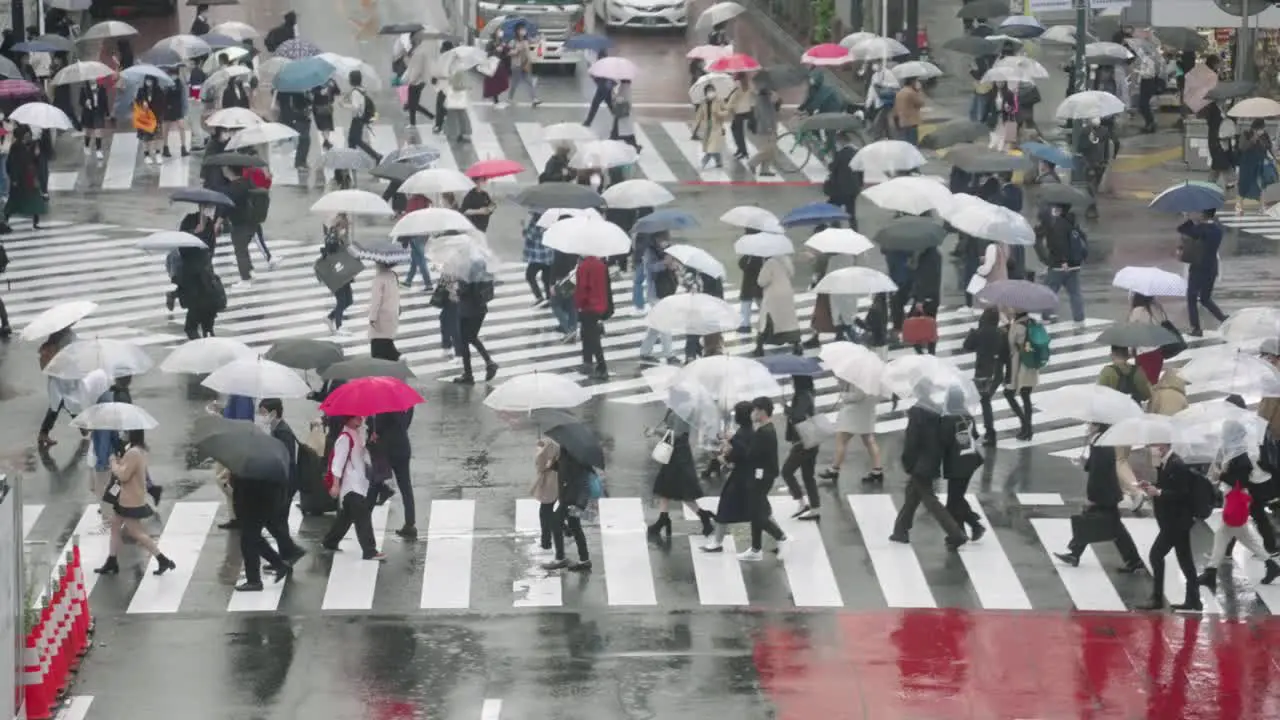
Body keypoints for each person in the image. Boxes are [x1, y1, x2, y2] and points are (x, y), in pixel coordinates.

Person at [1196, 421, 1280, 592]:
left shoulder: (1240, 456)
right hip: (1234, 498)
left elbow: (1239, 481)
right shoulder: (1234, 451)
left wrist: (1221, 475)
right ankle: (1270, 565)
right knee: (1242, 536)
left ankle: (1210, 573)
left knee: (1224, 534)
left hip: (1236, 499)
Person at [1052, 423, 1146, 574]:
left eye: (1091, 424)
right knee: (1101, 524)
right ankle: (1075, 554)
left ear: (1097, 427)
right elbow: (1095, 466)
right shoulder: (1100, 441)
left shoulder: (1101, 444)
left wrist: (1093, 497)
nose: (1088, 426)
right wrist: (1085, 463)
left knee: (1102, 525)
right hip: (1107, 493)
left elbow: (1099, 473)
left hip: (1104, 494)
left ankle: (1134, 561)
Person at [890, 381, 969, 550]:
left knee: (929, 499)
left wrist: (907, 462)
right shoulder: (937, 410)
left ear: (917, 392)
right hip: (933, 460)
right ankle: (900, 531)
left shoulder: (917, 412)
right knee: (912, 494)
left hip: (919, 463)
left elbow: (911, 441)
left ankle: (955, 533)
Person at [92, 430, 177, 577]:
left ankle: (162, 559)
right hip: (128, 497)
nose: (124, 434)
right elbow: (129, 469)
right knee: (115, 526)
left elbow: (124, 475)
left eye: (127, 432)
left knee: (136, 532)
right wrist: (120, 461)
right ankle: (112, 561)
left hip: (129, 499)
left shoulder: (133, 453)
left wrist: (113, 462)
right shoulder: (138, 451)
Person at [1137, 444, 1203, 611]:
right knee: (1185, 560)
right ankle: (1194, 600)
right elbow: (1166, 485)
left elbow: (1182, 493)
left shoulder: (1177, 464)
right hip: (1174, 521)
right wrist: (1151, 485)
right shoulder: (1166, 463)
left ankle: (1157, 599)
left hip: (1176, 522)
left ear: (1163, 446)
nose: (1151, 449)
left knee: (1156, 556)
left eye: (1153, 445)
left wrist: (1158, 492)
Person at [321, 415, 385, 561]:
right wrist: (335, 484)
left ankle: (330, 541)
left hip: (358, 481)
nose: (360, 419)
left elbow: (361, 454)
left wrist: (371, 441)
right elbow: (337, 463)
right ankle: (370, 550)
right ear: (347, 419)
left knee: (346, 516)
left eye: (360, 417)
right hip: (351, 485)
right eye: (356, 417)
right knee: (362, 516)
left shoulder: (357, 434)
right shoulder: (344, 438)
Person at [645, 409, 714, 538]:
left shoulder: (682, 412)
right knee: (664, 488)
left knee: (682, 492)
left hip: (679, 456)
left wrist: (656, 431)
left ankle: (703, 516)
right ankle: (663, 519)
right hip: (673, 454)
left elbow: (676, 435)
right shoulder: (674, 409)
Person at [738, 397, 788, 561]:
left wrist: (733, 442)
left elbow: (751, 455)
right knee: (756, 512)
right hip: (764, 475)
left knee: (757, 514)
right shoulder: (766, 429)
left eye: (754, 410)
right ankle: (756, 548)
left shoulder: (764, 433)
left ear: (762, 411)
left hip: (760, 477)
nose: (752, 414)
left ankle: (781, 537)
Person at [702, 401, 755, 553]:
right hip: (746, 477)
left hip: (741, 478)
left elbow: (738, 456)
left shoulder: (743, 434)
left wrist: (723, 459)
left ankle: (717, 542)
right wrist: (729, 441)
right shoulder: (746, 432)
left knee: (726, 507)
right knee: (758, 510)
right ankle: (780, 537)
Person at [940, 386, 986, 540]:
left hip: (957, 463)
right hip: (971, 460)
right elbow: (975, 435)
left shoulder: (948, 419)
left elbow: (943, 442)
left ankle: (968, 527)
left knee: (953, 501)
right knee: (957, 498)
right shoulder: (967, 415)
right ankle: (969, 526)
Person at [175, 205, 225, 339]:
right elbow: (211, 248)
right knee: (207, 329)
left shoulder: (202, 225)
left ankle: (201, 347)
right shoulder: (204, 225)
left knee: (192, 328)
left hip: (196, 290)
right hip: (207, 287)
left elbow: (182, 248)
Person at [367, 407, 417, 539]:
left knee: (375, 483)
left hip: (386, 449)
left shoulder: (383, 406)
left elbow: (378, 427)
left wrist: (372, 427)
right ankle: (410, 524)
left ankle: (364, 521)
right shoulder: (406, 406)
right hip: (402, 446)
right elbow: (405, 424)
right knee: (405, 486)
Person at [542, 443, 591, 572]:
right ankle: (585, 560)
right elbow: (563, 469)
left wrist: (579, 505)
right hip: (569, 497)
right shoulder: (566, 451)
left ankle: (560, 558)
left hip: (572, 500)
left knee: (555, 522)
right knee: (575, 526)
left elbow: (582, 480)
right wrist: (552, 463)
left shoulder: (577, 456)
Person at [1178, 209, 1227, 337]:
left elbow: (1182, 229)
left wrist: (1187, 218)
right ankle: (1222, 318)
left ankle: (1196, 328)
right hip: (1212, 268)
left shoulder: (1200, 230)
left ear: (1202, 214)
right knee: (1205, 298)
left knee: (1191, 297)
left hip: (1198, 268)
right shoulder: (1217, 229)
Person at [963, 308, 1007, 445]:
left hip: (982, 372)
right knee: (985, 402)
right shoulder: (1001, 333)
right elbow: (1005, 353)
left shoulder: (979, 333)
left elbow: (967, 346)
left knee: (971, 401)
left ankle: (977, 432)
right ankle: (989, 432)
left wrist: (972, 333)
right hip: (996, 372)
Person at [781, 374, 821, 520]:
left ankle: (802, 502)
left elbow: (798, 416)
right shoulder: (809, 394)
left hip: (803, 442)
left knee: (786, 471)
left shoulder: (802, 395)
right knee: (808, 476)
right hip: (811, 441)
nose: (791, 382)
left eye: (793, 379)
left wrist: (788, 410)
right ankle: (815, 508)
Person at [452, 264, 498, 384]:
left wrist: (454, 289)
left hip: (468, 310)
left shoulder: (465, 269)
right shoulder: (480, 264)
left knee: (464, 340)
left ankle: (470, 374)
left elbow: (464, 290)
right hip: (480, 308)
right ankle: (488, 363)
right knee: (470, 337)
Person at [753, 252, 801, 356]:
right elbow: (792, 273)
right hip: (787, 292)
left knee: (767, 319)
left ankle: (759, 347)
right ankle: (797, 344)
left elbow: (761, 281)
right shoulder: (786, 259)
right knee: (789, 321)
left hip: (773, 294)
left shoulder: (769, 263)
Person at [1004, 309, 1039, 441]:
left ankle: (1026, 426)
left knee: (1009, 393)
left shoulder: (1017, 326)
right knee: (1026, 396)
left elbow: (1010, 346)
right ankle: (1027, 428)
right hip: (1031, 364)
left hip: (1020, 365)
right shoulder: (1033, 323)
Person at [4, 125, 45, 230]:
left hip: (30, 177)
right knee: (14, 201)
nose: (28, 136)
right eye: (26, 134)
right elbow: (12, 164)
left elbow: (33, 161)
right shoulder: (16, 147)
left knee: (35, 199)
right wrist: (14, 178)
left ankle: (35, 222)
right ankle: (5, 220)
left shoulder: (30, 145)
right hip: (20, 179)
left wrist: (36, 155)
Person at [1129, 293, 1169, 384]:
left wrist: (1130, 350)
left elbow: (1131, 333)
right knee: (1153, 382)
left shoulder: (1137, 311)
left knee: (1144, 385)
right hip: (1157, 351)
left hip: (1143, 353)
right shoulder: (1156, 308)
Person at [1235, 118, 1273, 214]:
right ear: (1255, 128)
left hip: (1259, 163)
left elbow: (1269, 146)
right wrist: (1253, 139)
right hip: (1247, 164)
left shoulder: (1264, 136)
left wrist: (1263, 142)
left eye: (1263, 128)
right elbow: (1242, 147)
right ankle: (1239, 205)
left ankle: (1262, 206)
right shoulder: (1246, 134)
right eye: (1261, 128)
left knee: (1260, 184)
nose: (1262, 130)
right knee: (1244, 184)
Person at [344, 70, 382, 163]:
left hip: (357, 119)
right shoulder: (360, 89)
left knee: (357, 140)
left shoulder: (355, 92)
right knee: (352, 140)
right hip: (360, 119)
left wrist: (344, 105)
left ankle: (376, 155)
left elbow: (356, 107)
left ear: (352, 80)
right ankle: (352, 160)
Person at [368, 261, 401, 361]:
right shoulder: (393, 275)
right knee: (387, 341)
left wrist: (372, 317)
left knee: (378, 345)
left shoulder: (379, 278)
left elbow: (376, 301)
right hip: (392, 314)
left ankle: (397, 358)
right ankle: (396, 359)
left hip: (381, 316)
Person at [531, 438, 560, 551]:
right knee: (559, 509)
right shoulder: (558, 449)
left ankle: (546, 541)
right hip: (560, 482)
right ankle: (566, 529)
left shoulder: (543, 452)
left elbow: (540, 467)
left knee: (545, 513)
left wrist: (539, 452)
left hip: (549, 485)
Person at [692, 83, 728, 169]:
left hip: (717, 127)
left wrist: (719, 114)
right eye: (709, 91)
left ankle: (704, 162)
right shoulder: (703, 103)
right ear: (705, 93)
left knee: (711, 147)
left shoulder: (720, 101)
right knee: (712, 146)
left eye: (712, 90)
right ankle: (719, 161)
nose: (711, 92)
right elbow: (699, 116)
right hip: (707, 127)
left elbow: (726, 111)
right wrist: (695, 129)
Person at [508, 24, 540, 107]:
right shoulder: (513, 41)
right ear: (518, 31)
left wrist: (540, 37)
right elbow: (508, 52)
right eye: (522, 30)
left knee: (529, 82)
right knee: (515, 83)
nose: (524, 31)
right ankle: (510, 98)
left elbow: (534, 41)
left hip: (525, 64)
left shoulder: (526, 40)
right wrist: (517, 50)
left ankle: (534, 99)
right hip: (516, 65)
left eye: (524, 30)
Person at [726, 73, 753, 160]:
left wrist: (728, 108)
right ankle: (740, 149)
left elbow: (731, 101)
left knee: (738, 132)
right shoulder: (749, 86)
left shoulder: (738, 89)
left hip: (739, 113)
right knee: (736, 130)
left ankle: (743, 151)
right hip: (747, 111)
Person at [892, 77, 927, 145]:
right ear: (912, 82)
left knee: (905, 143)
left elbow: (895, 108)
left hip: (902, 121)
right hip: (911, 122)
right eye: (916, 81)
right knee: (912, 143)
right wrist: (919, 91)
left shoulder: (900, 92)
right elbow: (921, 103)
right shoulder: (911, 92)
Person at [79, 80, 108, 160]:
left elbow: (105, 100)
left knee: (99, 131)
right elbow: (80, 101)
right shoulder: (84, 88)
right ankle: (86, 145)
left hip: (98, 112)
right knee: (88, 131)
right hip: (88, 113)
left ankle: (98, 149)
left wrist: (107, 112)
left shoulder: (101, 88)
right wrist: (85, 102)